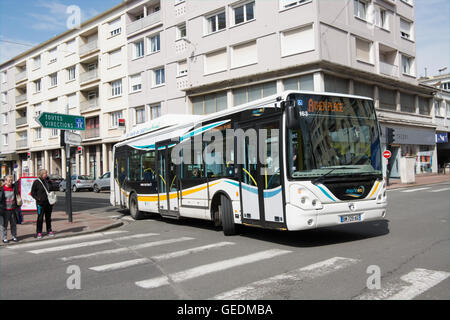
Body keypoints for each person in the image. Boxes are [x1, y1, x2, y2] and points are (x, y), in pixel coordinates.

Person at [31, 169, 54, 239]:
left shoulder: (48, 181)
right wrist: (38, 198)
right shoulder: (36, 182)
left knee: (48, 217)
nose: (46, 174)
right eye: (44, 173)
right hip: (40, 203)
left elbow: (52, 189)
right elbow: (32, 193)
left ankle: (49, 230)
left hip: (49, 202)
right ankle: (39, 232)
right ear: (41, 174)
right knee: (40, 217)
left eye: (46, 173)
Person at [0, 175, 21, 243]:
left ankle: (14, 236)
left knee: (13, 224)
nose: (10, 182)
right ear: (5, 181)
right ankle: (4, 237)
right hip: (5, 210)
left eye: (11, 180)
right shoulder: (1, 189)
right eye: (9, 180)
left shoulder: (14, 188)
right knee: (4, 225)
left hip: (13, 209)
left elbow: (17, 196)